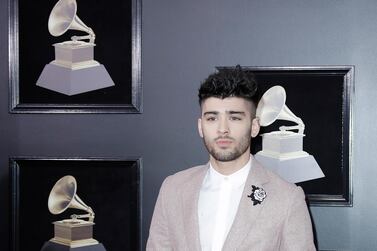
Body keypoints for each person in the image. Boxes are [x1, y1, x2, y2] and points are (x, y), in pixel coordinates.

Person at [147, 66, 316, 251]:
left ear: (254, 127)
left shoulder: (288, 198)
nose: (222, 129)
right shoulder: (172, 189)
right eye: (212, 118)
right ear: (200, 127)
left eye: (235, 118)